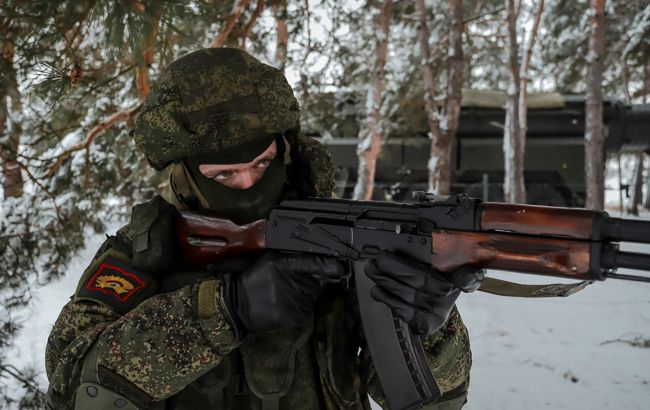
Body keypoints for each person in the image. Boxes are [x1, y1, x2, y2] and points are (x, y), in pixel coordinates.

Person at [45, 48, 482, 410]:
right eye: (224, 177)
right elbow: (71, 385)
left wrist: (428, 327)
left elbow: (437, 401)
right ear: (186, 176)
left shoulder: (344, 244)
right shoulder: (144, 252)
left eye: (261, 163)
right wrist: (225, 310)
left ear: (285, 151)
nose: (251, 186)